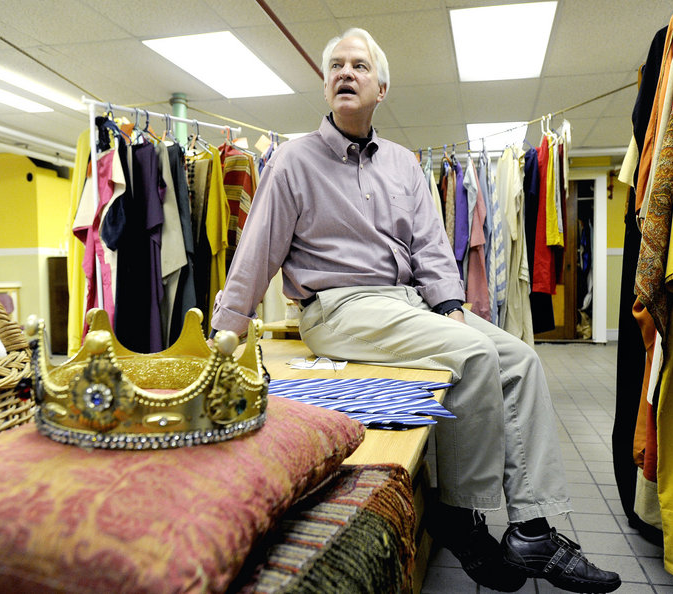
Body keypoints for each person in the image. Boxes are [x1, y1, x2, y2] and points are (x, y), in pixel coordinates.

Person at [211, 27, 621, 594]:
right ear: (327, 83)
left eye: (359, 65)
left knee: (521, 359)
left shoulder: (404, 164)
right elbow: (255, 253)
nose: (345, 73)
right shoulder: (293, 161)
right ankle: (461, 515)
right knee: (475, 357)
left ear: (382, 87)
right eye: (336, 65)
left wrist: (451, 305)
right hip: (340, 306)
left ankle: (532, 526)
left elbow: (430, 245)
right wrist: (223, 336)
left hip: (408, 301)